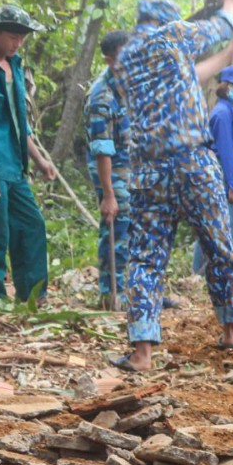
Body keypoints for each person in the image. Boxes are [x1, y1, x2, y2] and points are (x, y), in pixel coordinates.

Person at [109, 0, 233, 371]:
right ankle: (232, 330)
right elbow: (221, 25)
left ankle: (142, 353)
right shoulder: (173, 35)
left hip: (149, 172)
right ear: (169, 21)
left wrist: (226, 57)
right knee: (219, 245)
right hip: (193, 166)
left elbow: (189, 74)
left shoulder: (125, 60)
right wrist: (231, 4)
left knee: (145, 258)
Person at [0, 5, 58, 301]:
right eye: (12, 37)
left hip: (14, 164)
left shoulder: (15, 66)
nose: (17, 43)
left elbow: (20, 124)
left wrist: (39, 160)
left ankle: (32, 295)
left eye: (22, 37)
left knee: (32, 224)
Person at [192, 63, 233, 280]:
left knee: (210, 227)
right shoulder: (222, 114)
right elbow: (225, 152)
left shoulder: (231, 112)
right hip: (223, 175)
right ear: (225, 86)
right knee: (232, 230)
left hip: (231, 173)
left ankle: (196, 276)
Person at [84, 30, 132, 309]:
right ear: (110, 59)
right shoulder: (101, 96)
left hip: (133, 167)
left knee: (139, 230)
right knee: (117, 226)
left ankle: (138, 292)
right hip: (110, 171)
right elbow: (101, 150)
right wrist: (108, 194)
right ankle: (111, 294)